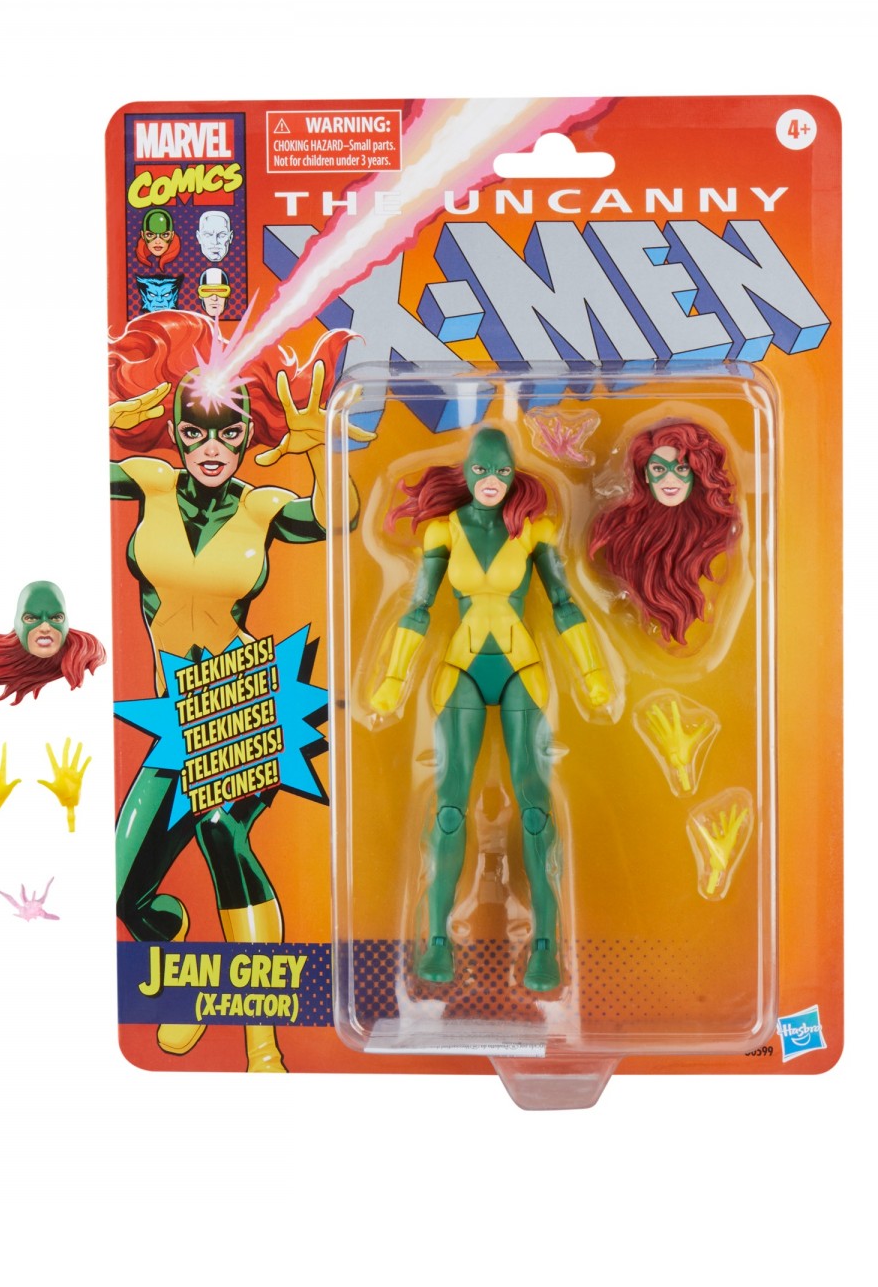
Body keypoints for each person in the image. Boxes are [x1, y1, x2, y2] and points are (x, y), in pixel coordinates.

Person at [109, 308, 365, 1070]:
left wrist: (318, 446)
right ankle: (189, 972)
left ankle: (262, 1043)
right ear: (177, 434)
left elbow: (335, 517)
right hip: (172, 717)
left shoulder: (262, 506)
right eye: (196, 433)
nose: (212, 449)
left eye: (228, 433)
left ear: (250, 435)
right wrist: (117, 420)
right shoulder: (150, 482)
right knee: (125, 893)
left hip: (242, 698)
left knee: (224, 833)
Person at [372, 428, 612, 992]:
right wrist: (391, 682)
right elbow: (418, 607)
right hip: (460, 670)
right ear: (466, 472)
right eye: (481, 471)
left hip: (521, 670)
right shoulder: (443, 531)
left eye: (502, 471)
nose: (491, 481)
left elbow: (562, 600)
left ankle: (545, 946)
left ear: (513, 473)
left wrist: (594, 675)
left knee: (534, 809)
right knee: (449, 807)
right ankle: (436, 939)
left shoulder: (533, 530)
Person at [588, 420, 739, 644]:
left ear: (695, 473)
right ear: (645, 475)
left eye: (681, 468)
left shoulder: (711, 532)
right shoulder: (626, 532)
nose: (670, 479)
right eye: (659, 469)